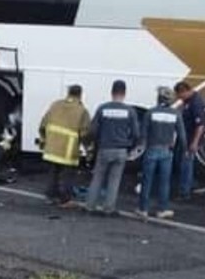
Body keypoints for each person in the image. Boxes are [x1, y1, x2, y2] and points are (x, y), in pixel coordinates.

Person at [85, 80, 140, 215]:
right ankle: (108, 209)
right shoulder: (130, 111)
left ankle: (89, 207)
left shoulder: (102, 108)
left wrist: (93, 143)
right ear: (124, 93)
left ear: (111, 92)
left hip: (104, 149)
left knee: (97, 178)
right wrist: (130, 146)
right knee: (114, 181)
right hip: (121, 150)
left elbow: (92, 130)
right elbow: (136, 134)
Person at [39, 85, 91, 207]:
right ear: (80, 95)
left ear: (68, 93)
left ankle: (50, 196)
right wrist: (89, 150)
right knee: (67, 175)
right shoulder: (82, 110)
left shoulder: (55, 105)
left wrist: (44, 140)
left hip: (51, 147)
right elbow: (85, 133)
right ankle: (65, 200)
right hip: (68, 150)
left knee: (53, 172)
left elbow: (43, 124)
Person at [140, 87, 187, 219]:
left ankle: (143, 209)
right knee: (164, 181)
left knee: (147, 180)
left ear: (158, 98)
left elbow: (143, 134)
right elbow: (182, 135)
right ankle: (162, 209)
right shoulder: (176, 114)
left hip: (151, 149)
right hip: (167, 151)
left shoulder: (150, 113)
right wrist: (184, 150)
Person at [174, 82, 204, 200]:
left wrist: (195, 142)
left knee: (185, 164)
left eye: (180, 95)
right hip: (185, 138)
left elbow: (200, 125)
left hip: (190, 139)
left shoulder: (195, 103)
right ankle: (190, 184)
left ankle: (184, 192)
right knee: (181, 162)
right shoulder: (188, 102)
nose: (179, 98)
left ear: (185, 91)